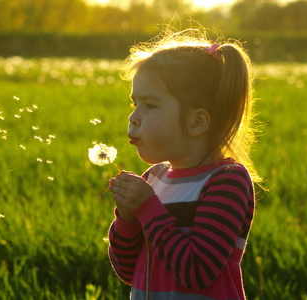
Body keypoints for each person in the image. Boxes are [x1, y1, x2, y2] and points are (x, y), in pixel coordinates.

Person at [107, 29, 260, 300]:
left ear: (196, 122)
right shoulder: (154, 178)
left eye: (150, 106)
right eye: (135, 104)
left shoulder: (226, 181)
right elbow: (129, 271)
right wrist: (127, 219)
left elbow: (196, 270)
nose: (133, 117)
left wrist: (146, 207)